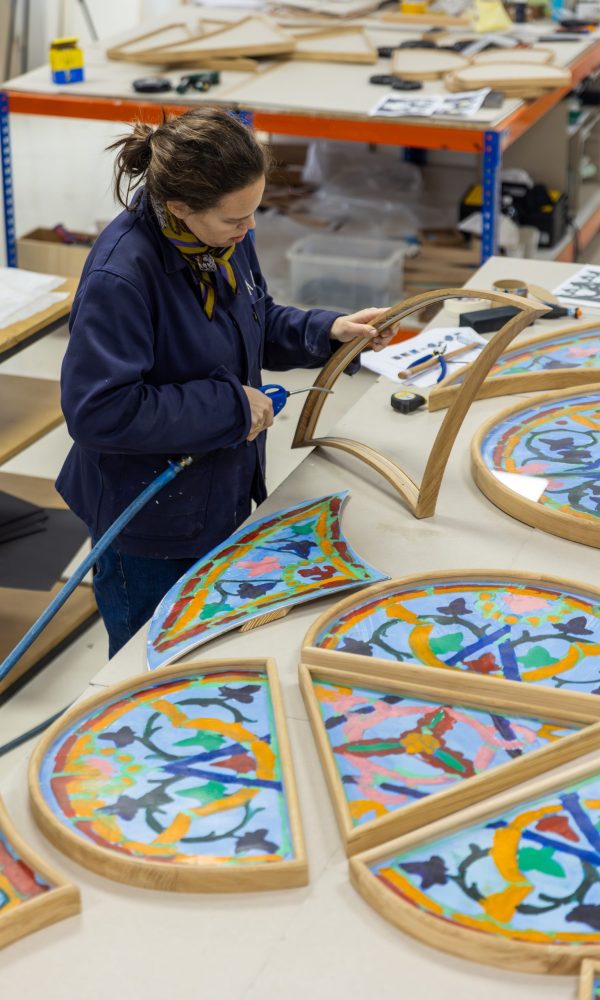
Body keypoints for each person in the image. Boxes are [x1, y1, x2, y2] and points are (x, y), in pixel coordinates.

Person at [57, 107, 397, 657]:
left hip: (219, 490)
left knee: (210, 648)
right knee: (155, 663)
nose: (250, 228)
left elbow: (252, 323)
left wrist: (327, 331)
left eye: (254, 211)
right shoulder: (120, 276)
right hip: (149, 520)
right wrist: (230, 406)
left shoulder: (218, 235)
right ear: (179, 207)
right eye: (237, 218)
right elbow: (100, 411)